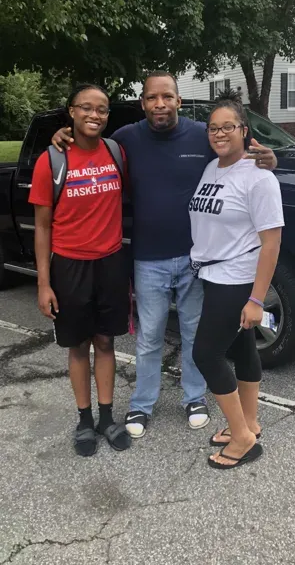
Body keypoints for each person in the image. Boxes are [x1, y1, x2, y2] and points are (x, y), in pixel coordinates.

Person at [51, 72, 277, 440]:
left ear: (178, 101)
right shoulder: (123, 140)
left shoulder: (201, 136)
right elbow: (86, 146)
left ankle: (194, 398)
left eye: (167, 97)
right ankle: (142, 402)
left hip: (194, 261)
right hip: (148, 258)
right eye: (152, 98)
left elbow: (239, 148)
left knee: (193, 334)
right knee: (150, 336)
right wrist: (60, 135)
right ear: (142, 103)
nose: (160, 104)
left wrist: (266, 156)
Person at [29, 83, 131, 457]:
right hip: (69, 265)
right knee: (77, 346)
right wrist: (43, 283)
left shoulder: (116, 152)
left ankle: (107, 417)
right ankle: (84, 420)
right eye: (86, 108)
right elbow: (42, 225)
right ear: (70, 111)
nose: (94, 115)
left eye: (101, 109)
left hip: (110, 262)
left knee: (106, 341)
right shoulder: (52, 160)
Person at [189, 90, 284, 470]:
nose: (219, 133)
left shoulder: (259, 177)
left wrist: (257, 299)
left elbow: (272, 242)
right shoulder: (213, 167)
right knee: (242, 349)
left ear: (244, 130)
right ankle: (250, 423)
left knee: (205, 354)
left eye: (228, 126)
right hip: (214, 274)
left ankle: (243, 440)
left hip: (237, 279)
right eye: (214, 127)